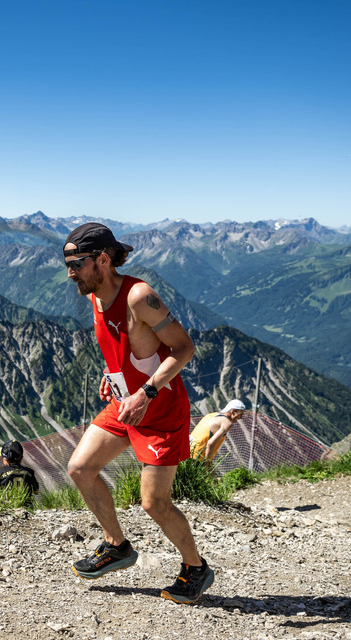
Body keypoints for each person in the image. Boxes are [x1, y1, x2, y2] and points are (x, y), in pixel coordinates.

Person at [63, 222, 214, 605]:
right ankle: (117, 545)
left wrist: (146, 392)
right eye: (66, 264)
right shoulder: (93, 293)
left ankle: (195, 568)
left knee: (154, 503)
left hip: (159, 409)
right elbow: (124, 346)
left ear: (101, 260)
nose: (70, 273)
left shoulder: (139, 296)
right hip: (125, 403)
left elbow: (183, 348)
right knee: (80, 468)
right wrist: (110, 374)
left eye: (77, 264)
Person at [190, 399, 247, 464]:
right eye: (240, 414)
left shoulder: (211, 415)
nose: (241, 418)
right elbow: (211, 443)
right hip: (196, 457)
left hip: (187, 451)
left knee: (212, 473)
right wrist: (207, 463)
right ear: (233, 411)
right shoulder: (227, 423)